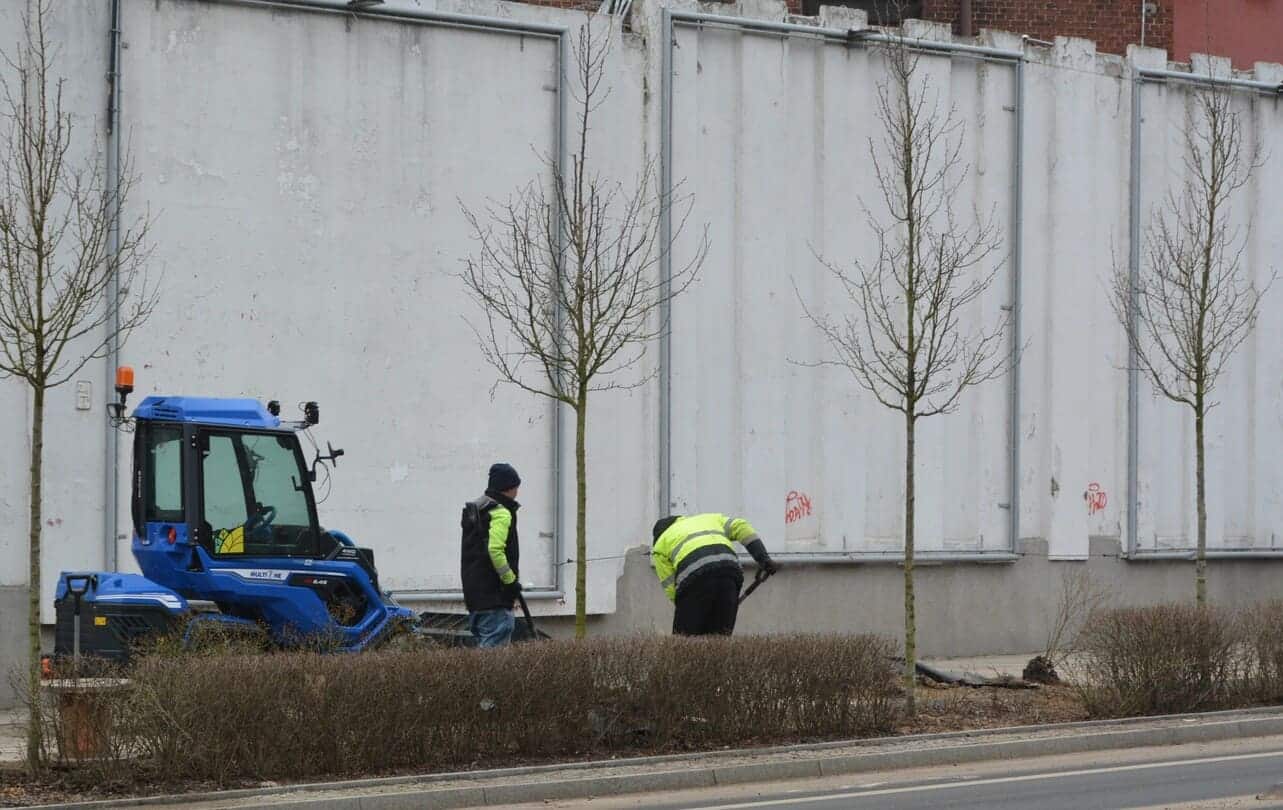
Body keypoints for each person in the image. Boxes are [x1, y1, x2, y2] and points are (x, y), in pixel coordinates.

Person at [651, 513, 777, 636]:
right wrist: (763, 558)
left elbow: (670, 585)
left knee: (684, 643)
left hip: (695, 581)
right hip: (730, 573)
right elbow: (741, 526)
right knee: (719, 641)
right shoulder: (709, 519)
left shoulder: (660, 545)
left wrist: (687, 611)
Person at [460, 463, 523, 647]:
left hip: (475, 598)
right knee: (492, 668)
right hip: (495, 598)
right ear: (509, 488)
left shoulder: (477, 511)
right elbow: (495, 550)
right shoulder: (501, 513)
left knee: (484, 662)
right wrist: (510, 581)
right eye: (516, 487)